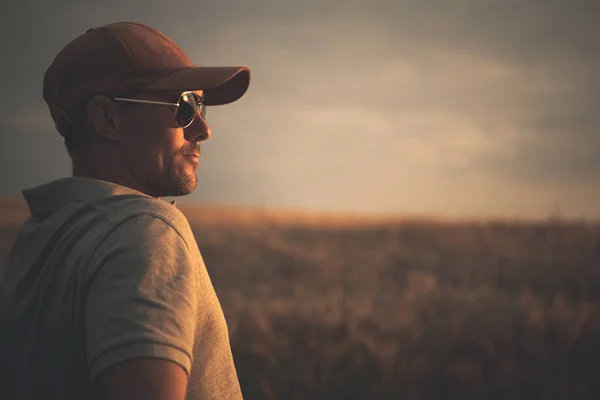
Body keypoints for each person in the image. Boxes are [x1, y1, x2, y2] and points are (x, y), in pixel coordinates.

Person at [0, 21, 250, 400]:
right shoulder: (145, 231)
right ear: (107, 119)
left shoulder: (38, 238)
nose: (202, 128)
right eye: (183, 106)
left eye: (201, 106)